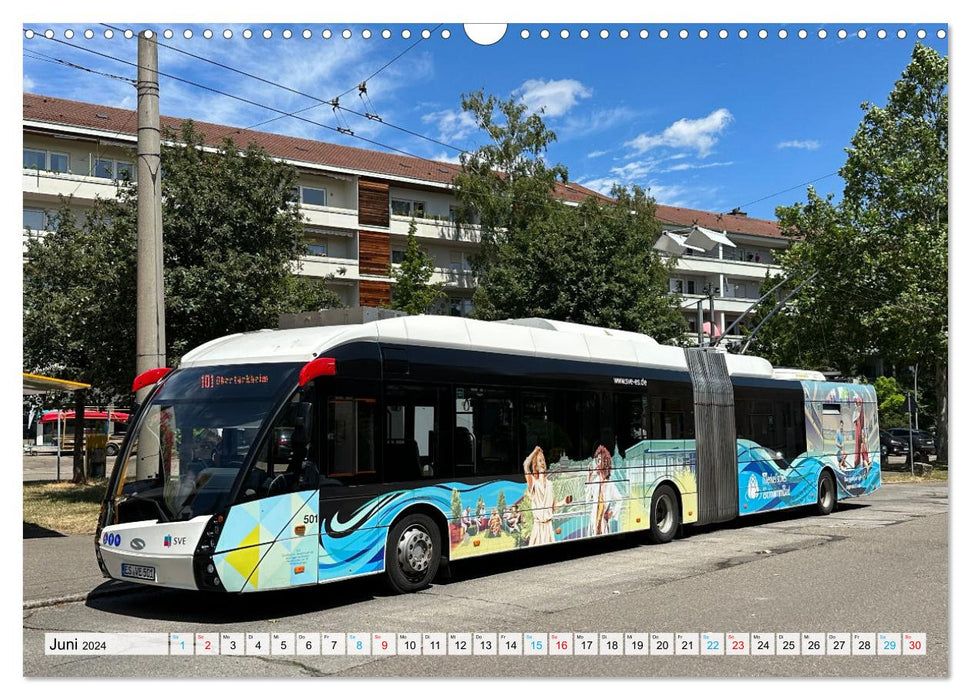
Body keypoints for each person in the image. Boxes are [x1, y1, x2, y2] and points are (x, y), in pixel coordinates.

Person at [522, 446, 569, 546]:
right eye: (539, 461)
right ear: (536, 465)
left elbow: (553, 507)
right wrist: (534, 451)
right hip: (538, 528)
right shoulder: (533, 483)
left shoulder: (550, 485)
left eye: (543, 460)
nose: (542, 462)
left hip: (548, 528)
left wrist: (565, 501)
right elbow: (526, 465)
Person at [585, 445, 623, 536]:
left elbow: (620, 500)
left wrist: (612, 513)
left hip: (603, 524)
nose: (597, 463)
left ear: (605, 462)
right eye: (597, 460)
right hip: (593, 523)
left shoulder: (610, 485)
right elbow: (587, 500)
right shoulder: (595, 482)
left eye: (599, 460)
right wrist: (588, 477)